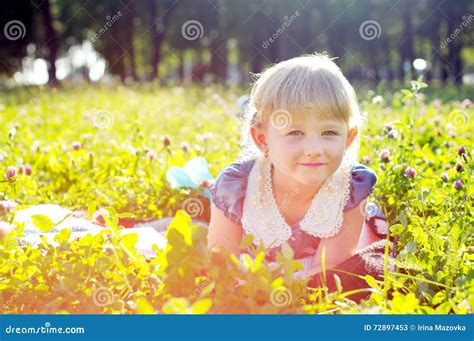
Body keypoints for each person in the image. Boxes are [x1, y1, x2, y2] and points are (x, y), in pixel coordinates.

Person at [207, 53, 394, 300]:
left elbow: (325, 275)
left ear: (348, 138)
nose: (314, 148)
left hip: (316, 271)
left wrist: (281, 292)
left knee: (361, 273)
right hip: (253, 270)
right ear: (262, 139)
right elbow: (221, 260)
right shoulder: (237, 187)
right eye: (295, 132)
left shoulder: (350, 190)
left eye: (328, 132)